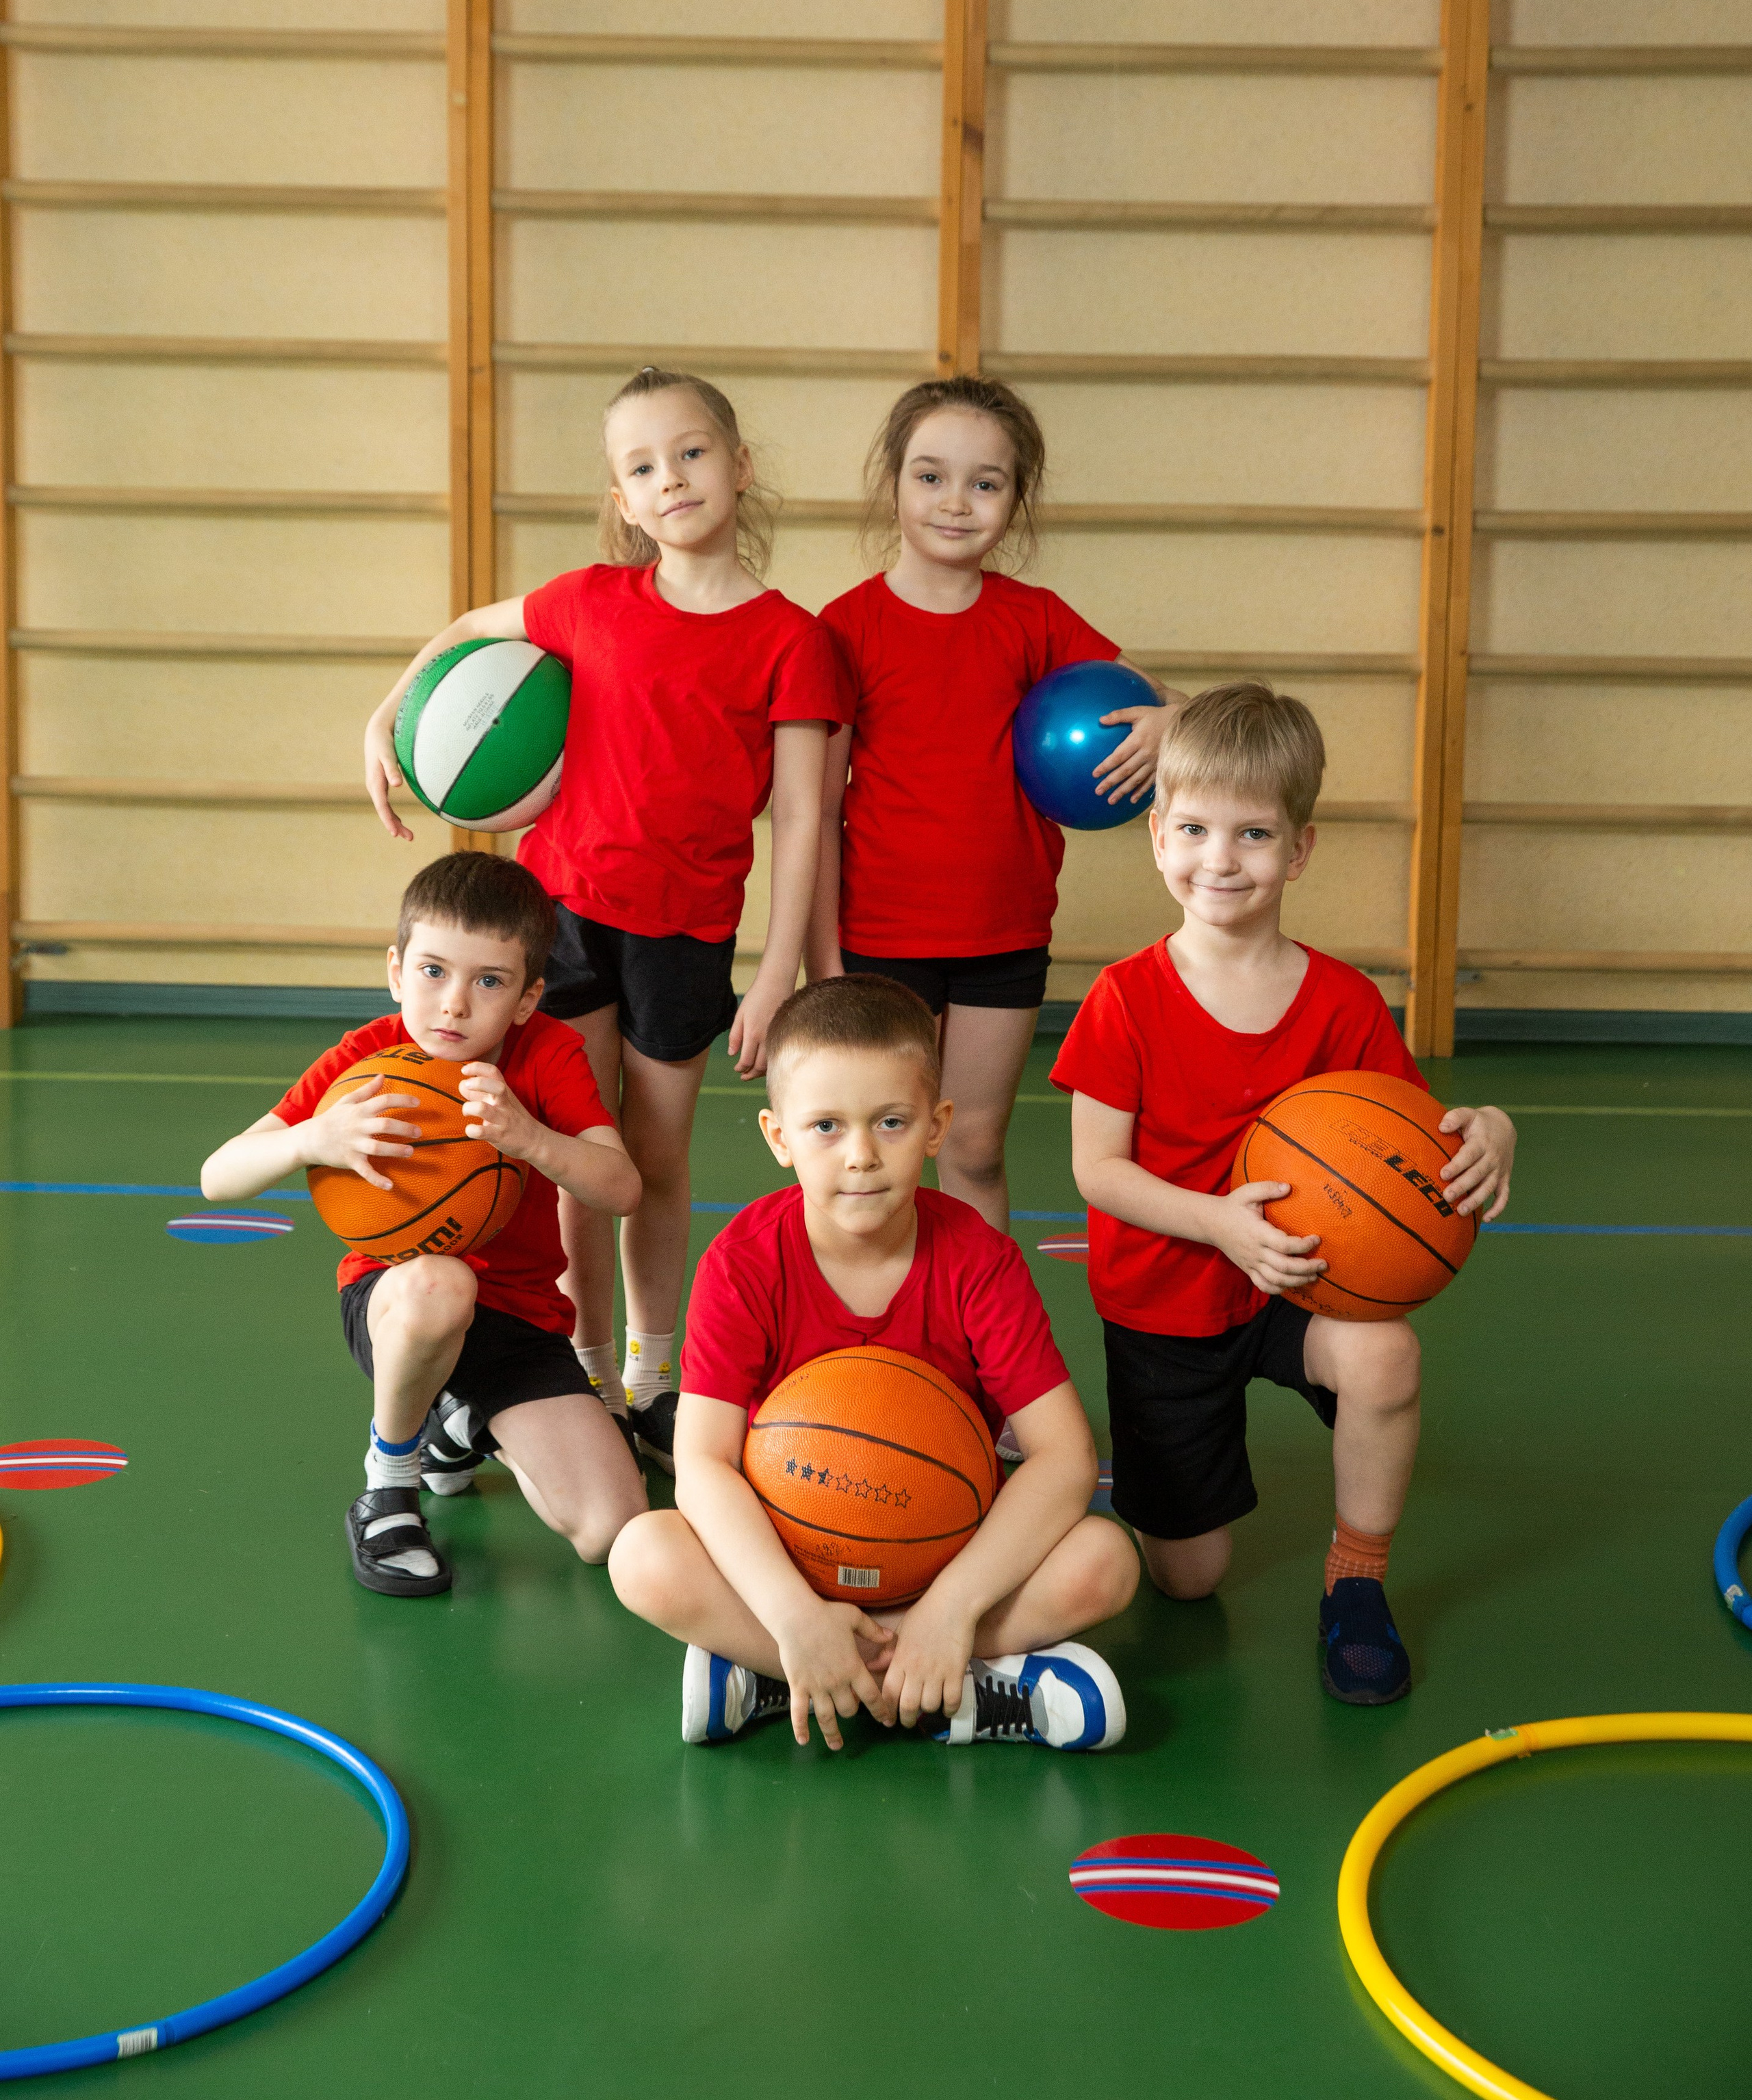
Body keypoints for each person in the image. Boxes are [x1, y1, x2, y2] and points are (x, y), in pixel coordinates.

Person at [362, 369, 848, 1474]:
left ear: (740, 466)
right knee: (582, 1151)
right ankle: (575, 1361)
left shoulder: (791, 639)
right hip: (565, 922)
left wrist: (776, 975)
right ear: (623, 500)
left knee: (657, 1159)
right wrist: (386, 713)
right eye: (642, 467)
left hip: (685, 937)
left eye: (690, 453)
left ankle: (654, 1373)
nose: (669, 479)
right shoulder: (586, 599)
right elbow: (458, 637)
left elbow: (808, 818)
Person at [1050, 683, 1516, 1704]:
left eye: (1253, 833)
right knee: (1188, 1578)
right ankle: (1130, 1478)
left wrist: (1494, 1128)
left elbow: (1417, 1143)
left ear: (1298, 850)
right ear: (1157, 837)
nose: (1220, 859)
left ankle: (1356, 1581)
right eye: (1195, 830)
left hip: (1301, 1287)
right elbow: (1098, 1172)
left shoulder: (1343, 1001)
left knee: (1387, 1353)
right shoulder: (1125, 998)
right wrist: (1219, 1223)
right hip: (1166, 1299)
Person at [608, 974, 1138, 1752]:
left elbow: (1063, 1457)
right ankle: (956, 1689)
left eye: (890, 1122)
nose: (860, 1155)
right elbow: (702, 1463)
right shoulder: (744, 1263)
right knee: (642, 1557)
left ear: (936, 1125)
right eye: (825, 1126)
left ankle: (779, 1676)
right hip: (791, 1553)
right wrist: (793, 1615)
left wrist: (950, 1608)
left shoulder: (978, 1261)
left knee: (1105, 1562)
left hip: (945, 1551)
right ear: (777, 1135)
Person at [201, 853, 647, 1597]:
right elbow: (219, 1175)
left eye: (490, 982)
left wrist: (530, 1138)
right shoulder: (366, 1059)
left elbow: (622, 1188)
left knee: (609, 1531)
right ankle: (390, 1483)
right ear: (396, 972)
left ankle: (461, 1425)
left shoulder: (548, 1055)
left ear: (529, 997)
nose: (455, 1005)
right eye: (434, 972)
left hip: (520, 1320)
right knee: (441, 1283)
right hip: (397, 1301)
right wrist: (312, 1139)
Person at [807, 376, 1184, 1243]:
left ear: (1016, 500)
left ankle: (979, 1344)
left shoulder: (1036, 620)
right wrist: (823, 959)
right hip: (879, 938)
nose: (956, 502)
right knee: (871, 1162)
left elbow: (1153, 703)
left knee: (972, 1149)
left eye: (987, 483)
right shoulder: (845, 628)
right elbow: (816, 813)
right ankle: (873, 1343)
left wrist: (1176, 721)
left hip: (1003, 934)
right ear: (893, 482)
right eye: (931, 476)